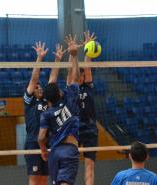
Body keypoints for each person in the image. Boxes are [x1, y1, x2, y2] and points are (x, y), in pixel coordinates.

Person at [38, 35, 80, 185]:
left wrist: (43, 149)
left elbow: (41, 137)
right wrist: (74, 55)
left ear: (48, 100)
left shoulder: (46, 113)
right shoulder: (70, 99)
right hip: (69, 150)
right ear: (60, 93)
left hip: (54, 152)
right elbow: (75, 78)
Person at [24, 41, 64, 185]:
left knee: (43, 179)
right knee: (34, 180)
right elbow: (34, 79)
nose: (39, 88)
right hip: (33, 143)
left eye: (41, 87)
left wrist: (58, 60)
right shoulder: (29, 101)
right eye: (37, 87)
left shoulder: (47, 100)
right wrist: (39, 58)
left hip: (48, 143)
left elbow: (52, 81)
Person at [67, 30, 98, 185]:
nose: (82, 76)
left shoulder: (88, 86)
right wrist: (73, 54)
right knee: (70, 165)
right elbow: (72, 70)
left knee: (89, 166)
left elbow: (87, 68)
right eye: (78, 74)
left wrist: (87, 49)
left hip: (90, 129)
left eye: (83, 75)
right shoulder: (71, 88)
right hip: (74, 130)